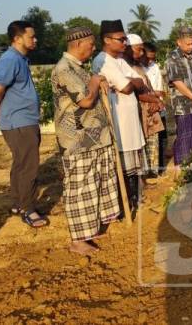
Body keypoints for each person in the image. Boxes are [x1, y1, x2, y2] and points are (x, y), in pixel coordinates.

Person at [51, 27, 121, 254]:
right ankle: (78, 240)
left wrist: (97, 82)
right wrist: (94, 80)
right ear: (78, 44)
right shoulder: (64, 69)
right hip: (78, 141)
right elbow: (85, 101)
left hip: (95, 138)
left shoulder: (79, 68)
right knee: (81, 189)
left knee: (97, 185)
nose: (93, 49)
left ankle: (93, 227)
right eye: (90, 45)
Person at [0, 20, 47, 228]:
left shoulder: (20, 59)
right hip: (19, 121)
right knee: (29, 166)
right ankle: (28, 209)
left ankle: (18, 203)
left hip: (21, 121)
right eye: (31, 36)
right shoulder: (10, 60)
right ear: (17, 39)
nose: (35, 39)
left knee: (20, 164)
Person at [92, 20, 148, 211]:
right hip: (119, 122)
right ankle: (125, 205)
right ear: (107, 40)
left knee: (133, 167)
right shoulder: (103, 61)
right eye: (121, 39)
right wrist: (131, 82)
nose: (125, 43)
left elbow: (140, 81)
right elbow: (126, 87)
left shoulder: (121, 60)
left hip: (130, 120)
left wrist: (131, 82)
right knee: (123, 167)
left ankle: (134, 200)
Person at [165, 27, 192, 166]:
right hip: (182, 104)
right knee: (184, 135)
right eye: (188, 44)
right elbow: (177, 82)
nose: (191, 46)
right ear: (179, 42)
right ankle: (181, 168)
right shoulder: (172, 58)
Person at [124, 34, 165, 179]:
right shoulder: (124, 67)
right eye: (139, 50)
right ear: (128, 49)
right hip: (138, 110)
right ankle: (144, 175)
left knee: (153, 141)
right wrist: (155, 100)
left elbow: (149, 87)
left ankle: (152, 172)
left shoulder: (139, 66)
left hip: (150, 109)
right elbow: (135, 93)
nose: (141, 54)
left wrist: (157, 101)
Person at [143, 42, 168, 172]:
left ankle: (161, 168)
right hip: (147, 108)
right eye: (148, 58)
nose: (150, 61)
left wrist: (159, 97)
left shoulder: (155, 67)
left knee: (162, 138)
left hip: (159, 106)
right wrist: (154, 95)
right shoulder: (138, 68)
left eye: (153, 58)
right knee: (150, 140)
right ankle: (151, 170)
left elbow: (161, 90)